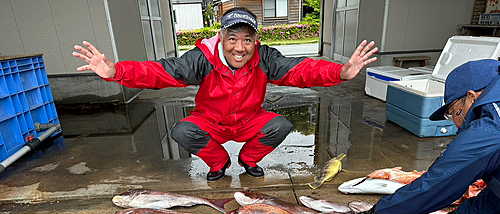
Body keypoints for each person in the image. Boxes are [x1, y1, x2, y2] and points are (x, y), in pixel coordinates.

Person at [73, 7, 378, 182]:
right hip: (211, 121)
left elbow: (300, 70)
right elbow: (162, 72)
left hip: (248, 120)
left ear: (255, 41)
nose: (240, 47)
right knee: (182, 130)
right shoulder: (202, 59)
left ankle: (247, 158)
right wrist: (118, 72)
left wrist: (340, 72)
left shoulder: (265, 58)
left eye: (247, 39)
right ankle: (218, 163)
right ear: (221, 38)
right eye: (232, 38)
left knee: (281, 124)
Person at [350, 59, 500, 214]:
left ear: (471, 97)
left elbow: (436, 186)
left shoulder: (490, 127)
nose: (454, 121)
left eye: (453, 112)